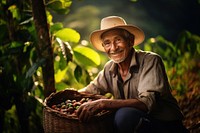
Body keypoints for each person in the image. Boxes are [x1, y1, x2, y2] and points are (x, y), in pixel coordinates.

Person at [76, 16, 188, 133]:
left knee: (123, 115)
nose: (113, 48)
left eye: (118, 40)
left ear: (130, 41)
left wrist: (103, 103)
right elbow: (89, 91)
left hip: (165, 126)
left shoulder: (150, 60)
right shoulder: (109, 68)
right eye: (107, 43)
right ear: (104, 47)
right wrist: (67, 95)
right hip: (136, 124)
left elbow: (146, 103)